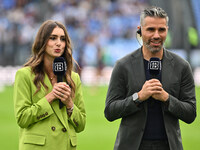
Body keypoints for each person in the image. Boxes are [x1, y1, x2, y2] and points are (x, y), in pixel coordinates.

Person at [104, 6, 196, 150]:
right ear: (140, 30)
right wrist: (138, 96)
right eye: (151, 29)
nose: (156, 35)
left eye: (161, 30)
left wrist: (166, 98)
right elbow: (110, 111)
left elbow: (190, 113)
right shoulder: (123, 65)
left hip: (169, 145)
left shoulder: (181, 66)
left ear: (167, 30)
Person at [13, 20, 86, 150]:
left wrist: (69, 104)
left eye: (62, 39)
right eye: (53, 38)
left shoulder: (73, 78)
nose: (59, 43)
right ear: (42, 42)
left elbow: (81, 125)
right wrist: (51, 96)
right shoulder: (24, 75)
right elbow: (22, 119)